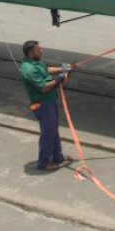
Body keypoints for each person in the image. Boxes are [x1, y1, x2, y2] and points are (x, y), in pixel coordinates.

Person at [19, 40, 74, 171]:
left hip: (49, 101)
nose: (41, 51)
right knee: (48, 133)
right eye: (39, 50)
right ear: (31, 53)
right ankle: (43, 163)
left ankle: (57, 157)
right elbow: (43, 87)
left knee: (53, 130)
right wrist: (58, 78)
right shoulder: (29, 69)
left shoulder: (35, 62)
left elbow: (46, 69)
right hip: (43, 104)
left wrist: (63, 68)